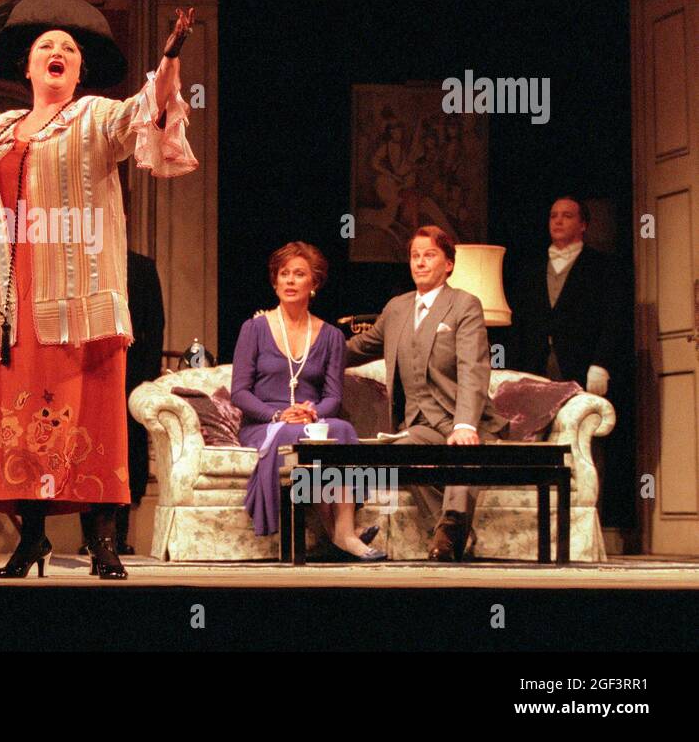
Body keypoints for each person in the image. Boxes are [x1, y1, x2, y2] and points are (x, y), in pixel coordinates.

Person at [0, 0, 197, 579]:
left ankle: (102, 541)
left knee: (90, 417)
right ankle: (31, 537)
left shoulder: (96, 118)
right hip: (13, 304)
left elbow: (147, 112)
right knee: (22, 423)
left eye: (68, 49)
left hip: (79, 299)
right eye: (44, 48)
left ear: (80, 70)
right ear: (27, 68)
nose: (56, 53)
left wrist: (169, 61)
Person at [346, 225, 508, 561]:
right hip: (420, 424)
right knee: (401, 453)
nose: (420, 262)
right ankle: (447, 531)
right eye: (415, 256)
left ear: (448, 263)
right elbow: (357, 348)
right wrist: (307, 342)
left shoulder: (464, 304)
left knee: (462, 455)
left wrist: (465, 424)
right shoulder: (397, 308)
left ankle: (449, 534)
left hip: (461, 419)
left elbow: (473, 369)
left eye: (429, 255)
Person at [230, 242, 383, 560]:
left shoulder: (331, 336)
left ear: (314, 283)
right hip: (265, 425)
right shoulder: (253, 329)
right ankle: (343, 536)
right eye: (283, 274)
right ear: (275, 282)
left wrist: (311, 414)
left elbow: (332, 397)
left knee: (340, 430)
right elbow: (240, 392)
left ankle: (343, 528)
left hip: (311, 421)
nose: (289, 280)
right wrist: (277, 415)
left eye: (298, 274)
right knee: (294, 437)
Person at [77, 248, 164, 555]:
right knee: (87, 448)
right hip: (89, 370)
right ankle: (90, 536)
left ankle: (118, 535)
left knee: (127, 452)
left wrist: (145, 380)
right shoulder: (81, 261)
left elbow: (155, 327)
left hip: (131, 371)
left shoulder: (141, 266)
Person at [508, 196, 622, 397]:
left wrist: (601, 364)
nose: (558, 221)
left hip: (581, 364)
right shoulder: (530, 268)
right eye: (553, 216)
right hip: (534, 365)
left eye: (567, 216)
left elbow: (612, 320)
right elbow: (519, 321)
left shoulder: (601, 266)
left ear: (583, 225)